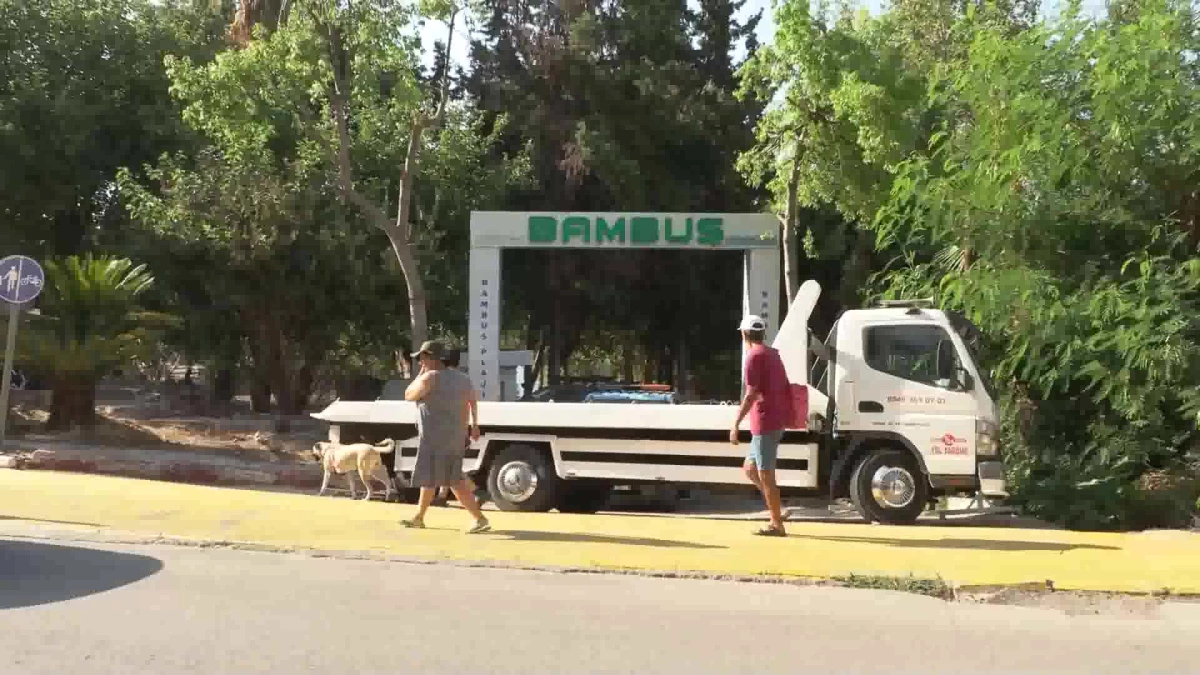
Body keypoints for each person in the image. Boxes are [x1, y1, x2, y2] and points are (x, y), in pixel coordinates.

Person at [402, 340, 490, 533]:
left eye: (421, 358)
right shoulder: (463, 378)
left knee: (452, 480)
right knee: (432, 478)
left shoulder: (429, 378)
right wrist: (474, 426)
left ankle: (479, 518)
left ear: (428, 357)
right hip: (455, 437)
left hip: (434, 438)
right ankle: (419, 516)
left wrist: (420, 374)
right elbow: (472, 401)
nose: (419, 362)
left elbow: (408, 394)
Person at [729, 315, 792, 537]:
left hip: (765, 422)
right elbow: (785, 386)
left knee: (766, 475)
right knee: (750, 469)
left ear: (744, 334)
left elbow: (751, 394)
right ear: (763, 334)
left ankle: (776, 524)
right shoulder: (773, 355)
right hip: (774, 421)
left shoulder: (753, 356)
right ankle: (778, 510)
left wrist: (735, 424)